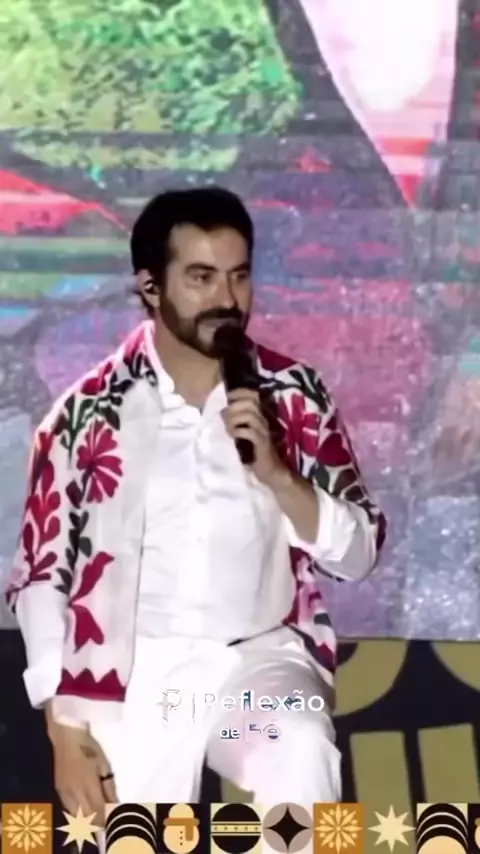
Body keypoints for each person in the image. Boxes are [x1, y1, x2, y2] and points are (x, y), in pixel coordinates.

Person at [5, 187, 386, 815]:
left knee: (299, 745)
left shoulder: (290, 393)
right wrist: (62, 722)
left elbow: (359, 554)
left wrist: (279, 475)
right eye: (202, 278)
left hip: (256, 666)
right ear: (151, 287)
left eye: (239, 276)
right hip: (136, 678)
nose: (226, 300)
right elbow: (43, 576)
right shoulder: (87, 413)